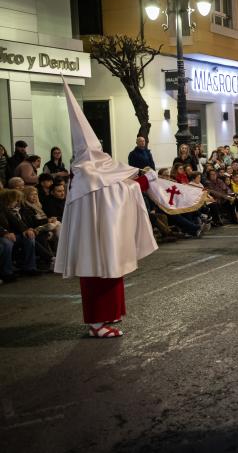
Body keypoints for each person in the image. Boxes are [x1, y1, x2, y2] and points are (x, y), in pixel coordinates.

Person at [54, 78, 157, 338]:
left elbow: (113, 187)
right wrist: (144, 181)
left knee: (105, 276)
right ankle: (98, 325)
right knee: (100, 277)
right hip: (99, 240)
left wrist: (135, 180)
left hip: (93, 239)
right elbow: (116, 195)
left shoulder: (83, 172)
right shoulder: (91, 174)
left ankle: (106, 317)